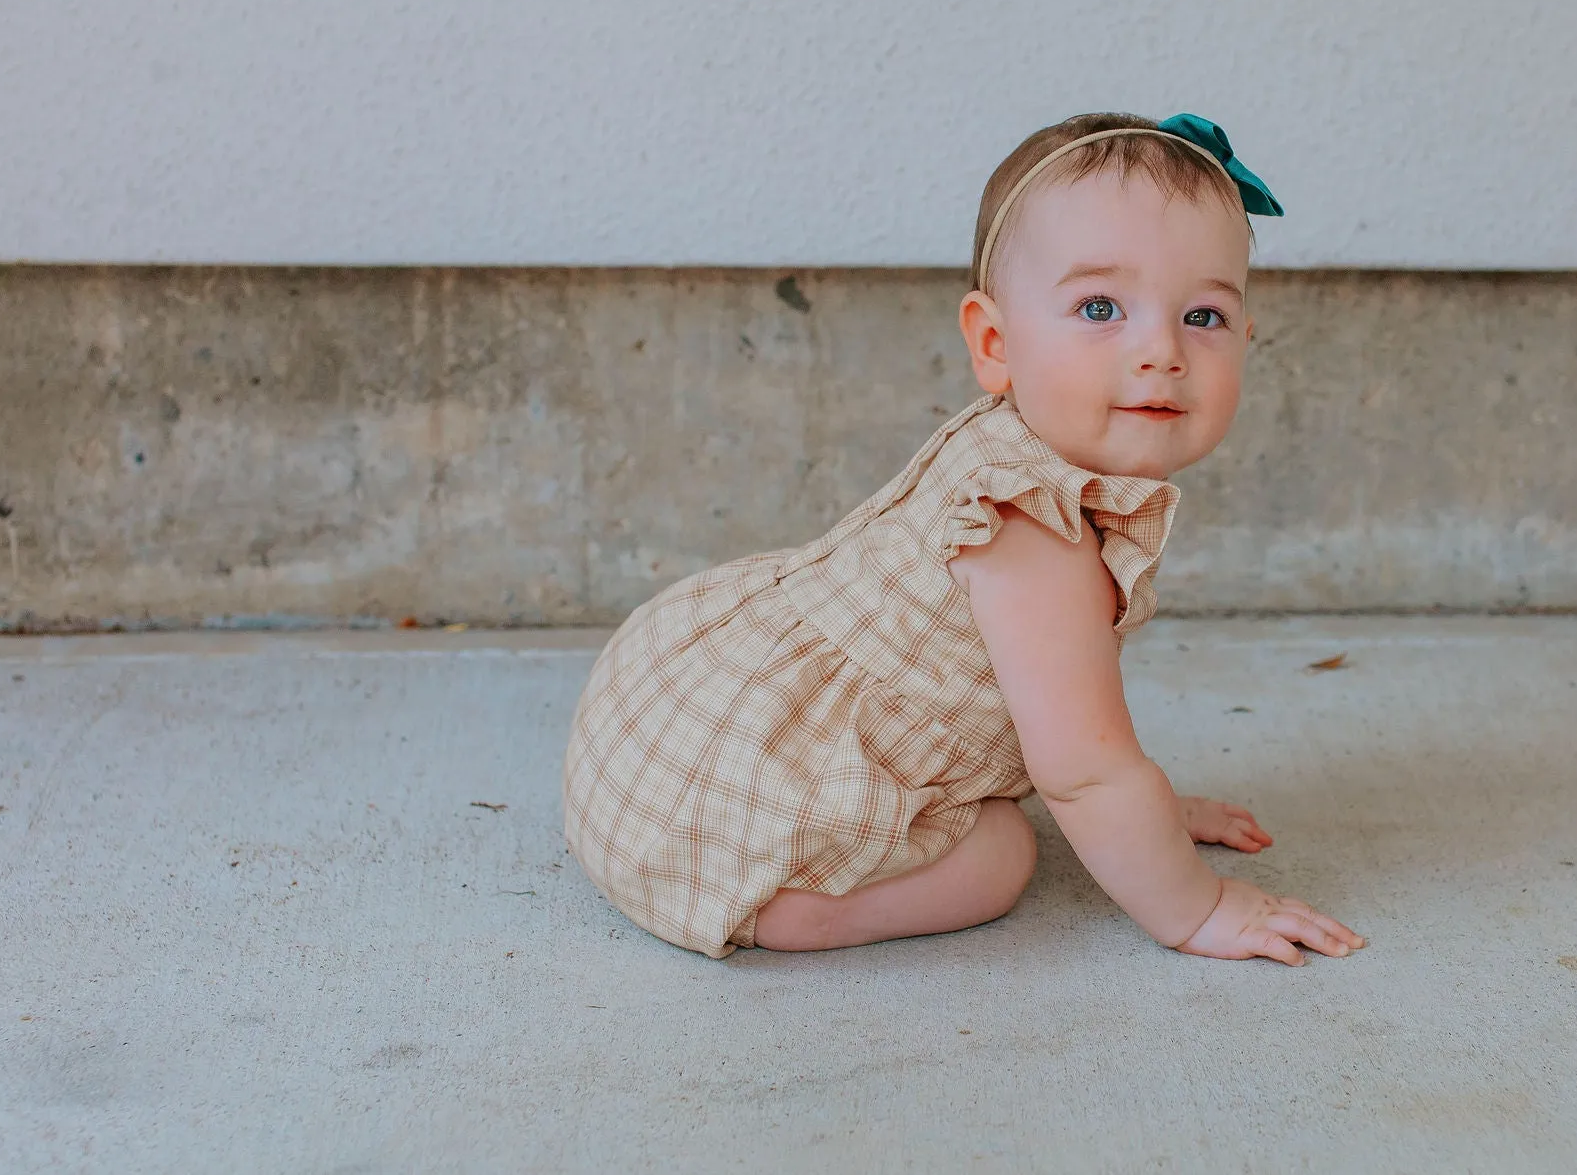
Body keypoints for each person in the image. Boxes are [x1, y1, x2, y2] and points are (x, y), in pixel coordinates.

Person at [563, 111, 1364, 965]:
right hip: (720, 793)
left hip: (671, 712)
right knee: (998, 855)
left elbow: (1081, 727)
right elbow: (1085, 771)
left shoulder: (1015, 452)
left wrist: (1154, 809)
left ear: (1249, 337)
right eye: (1101, 307)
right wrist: (1197, 907)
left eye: (1203, 315)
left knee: (1039, 801)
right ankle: (792, 907)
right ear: (995, 342)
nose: (1160, 350)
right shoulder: (1031, 529)